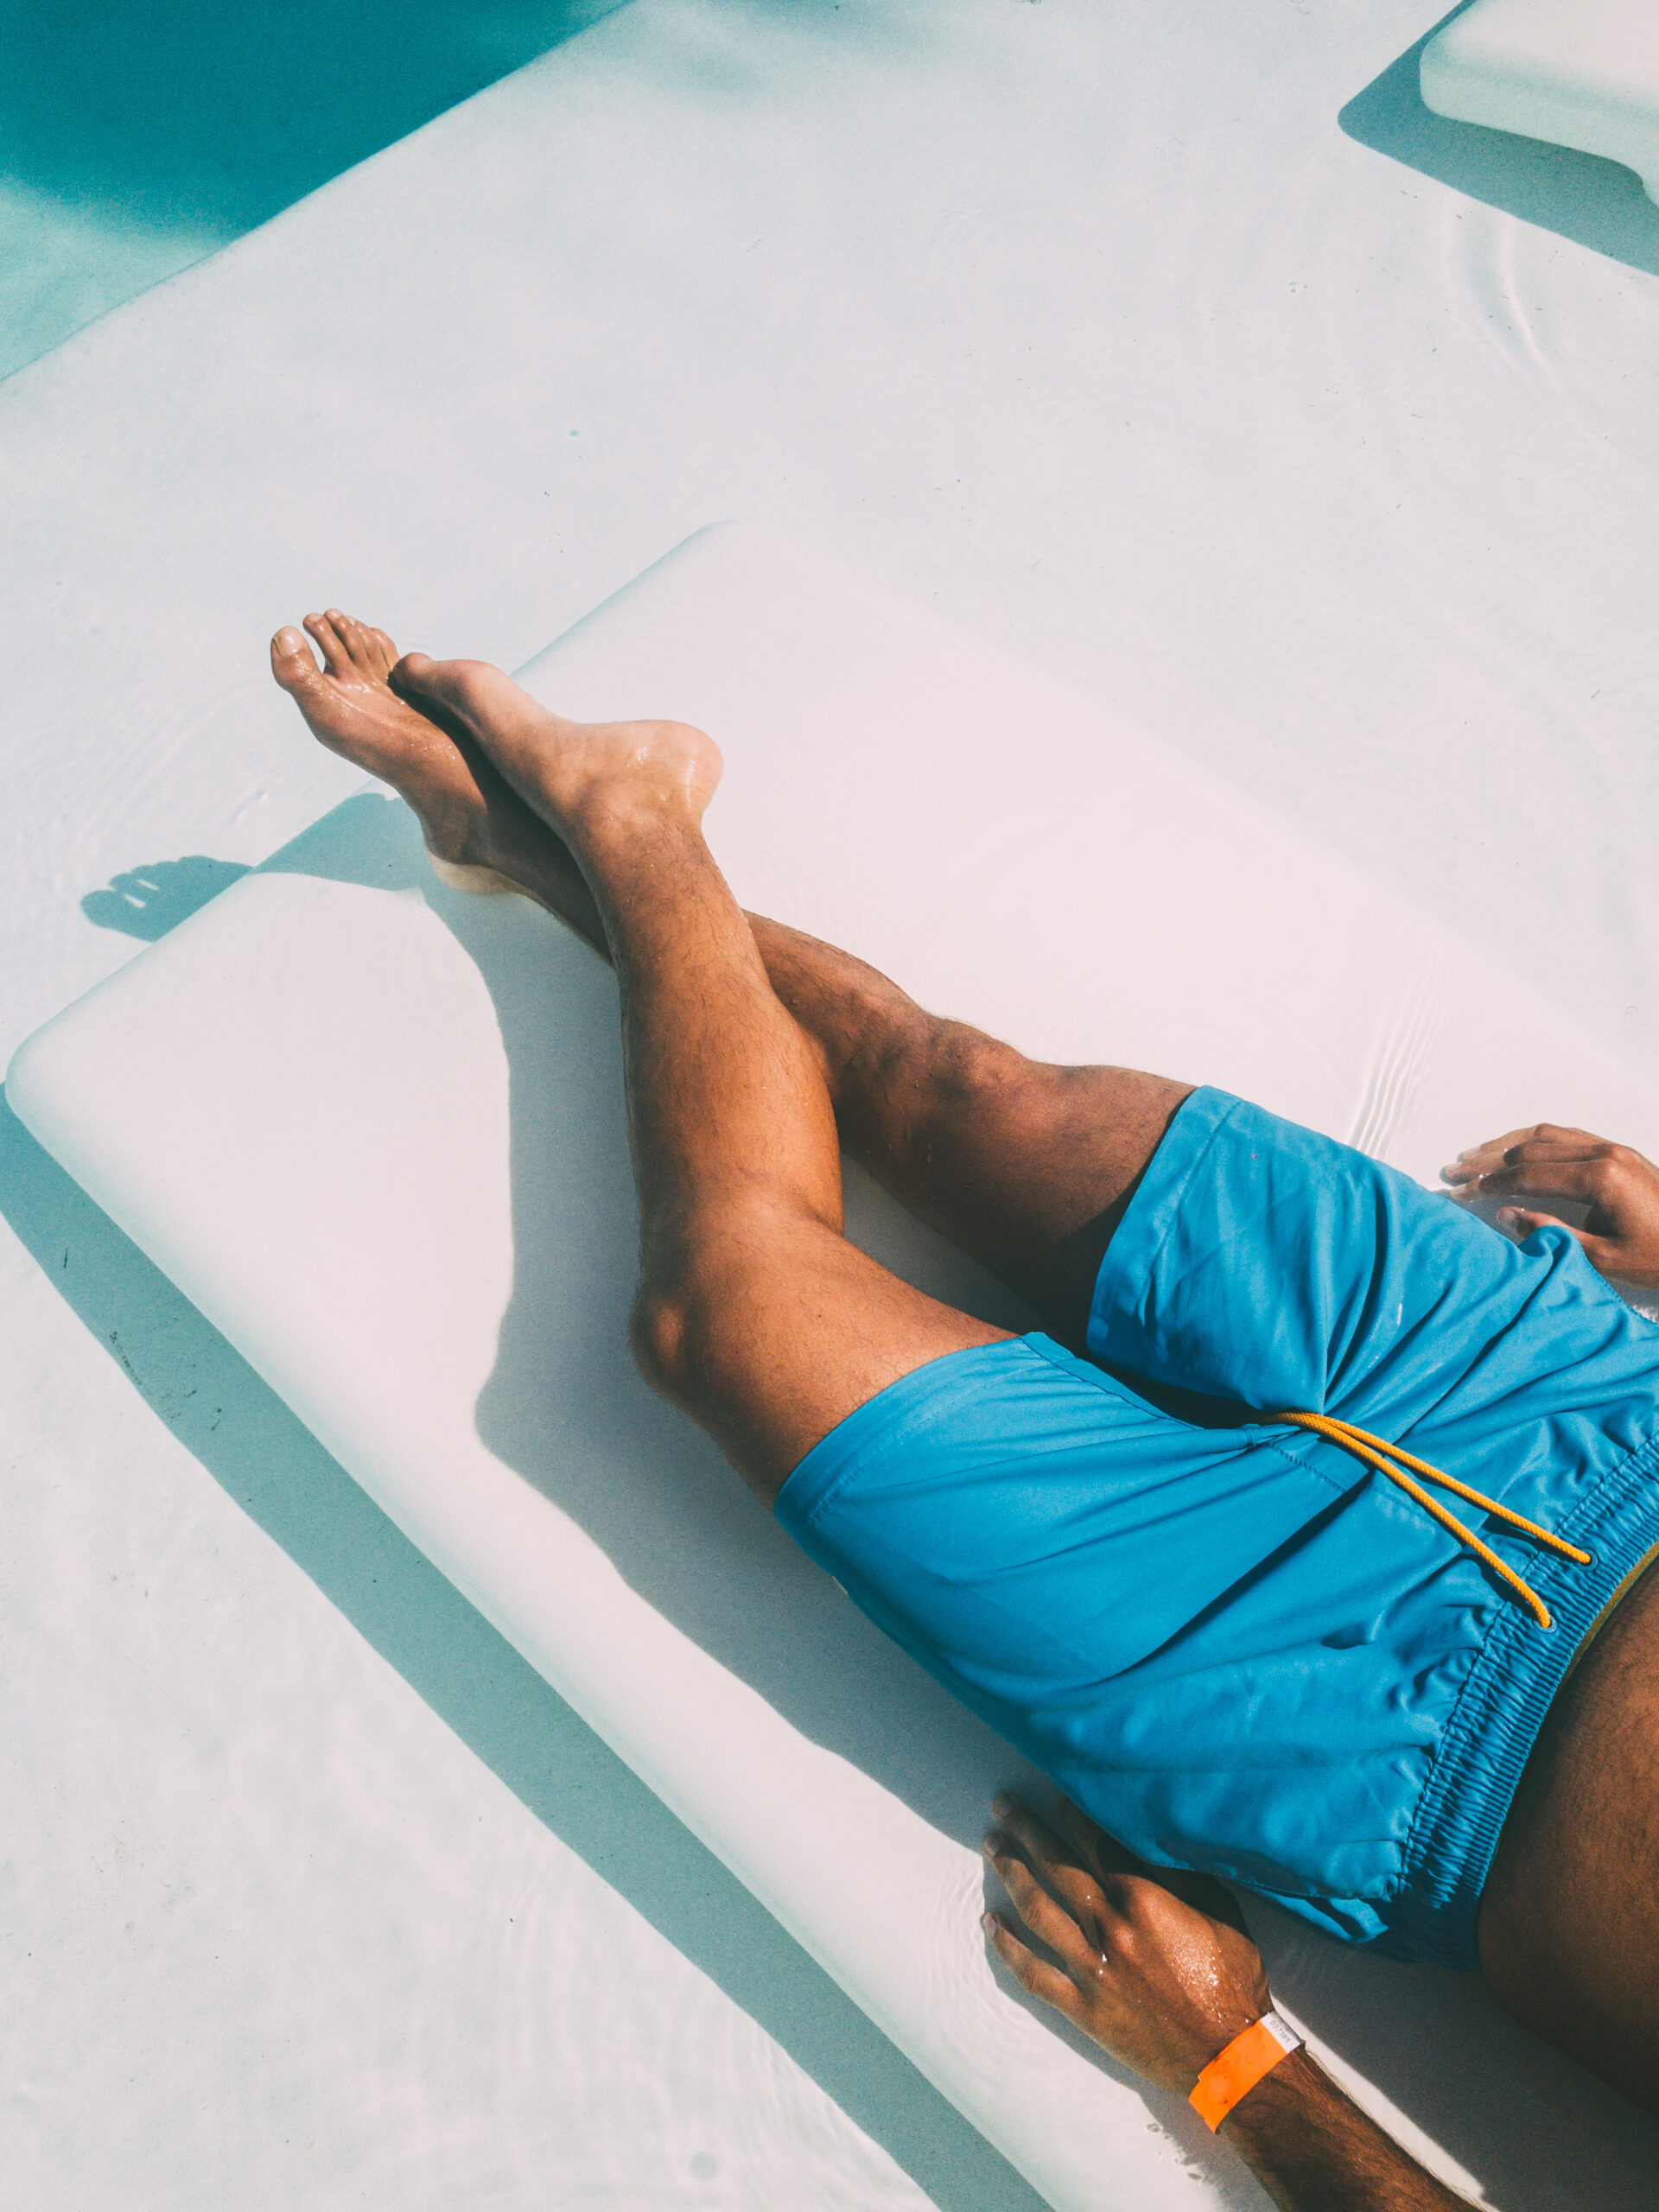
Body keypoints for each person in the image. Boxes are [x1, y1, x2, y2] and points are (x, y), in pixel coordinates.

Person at [271, 610, 1659, 2209]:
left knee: (722, 1315)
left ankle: (611, 821)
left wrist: (1236, 2062)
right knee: (954, 1087)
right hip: (1585, 1402)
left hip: (1366, 1742)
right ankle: (546, 829)